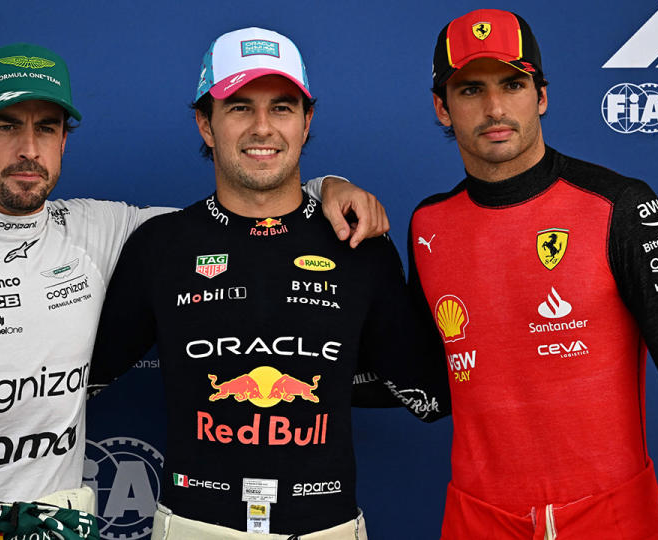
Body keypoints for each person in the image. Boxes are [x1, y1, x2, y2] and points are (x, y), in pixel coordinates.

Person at [0, 42, 390, 540]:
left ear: (65, 139)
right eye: (6, 126)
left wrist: (324, 185)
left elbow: (249, 213)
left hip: (60, 520)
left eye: (46, 128)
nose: (28, 149)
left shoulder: (97, 229)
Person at [91, 27, 446, 540]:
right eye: (238, 107)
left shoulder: (359, 244)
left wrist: (314, 377)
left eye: (281, 107)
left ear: (307, 122)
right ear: (205, 124)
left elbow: (425, 396)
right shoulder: (160, 245)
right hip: (193, 525)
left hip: (327, 527)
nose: (262, 128)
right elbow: (80, 380)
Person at [409, 9, 658, 539]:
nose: (494, 108)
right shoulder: (428, 225)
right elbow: (427, 386)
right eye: (469, 90)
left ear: (541, 96)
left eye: (513, 84)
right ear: (442, 108)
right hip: (478, 523)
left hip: (613, 520)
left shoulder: (620, 205)